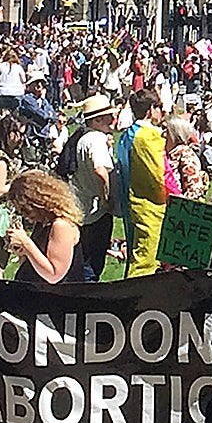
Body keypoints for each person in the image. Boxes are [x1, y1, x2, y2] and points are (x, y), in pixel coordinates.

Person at [118, 89, 169, 277]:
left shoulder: (127, 134)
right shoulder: (148, 136)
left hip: (130, 201)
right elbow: (159, 175)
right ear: (150, 110)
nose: (162, 112)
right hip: (150, 204)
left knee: (137, 251)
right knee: (146, 258)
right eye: (159, 108)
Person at [68, 94, 119, 282]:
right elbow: (100, 171)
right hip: (96, 210)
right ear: (97, 119)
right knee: (92, 262)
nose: (112, 120)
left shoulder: (84, 138)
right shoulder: (97, 140)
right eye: (108, 117)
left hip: (82, 206)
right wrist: (105, 199)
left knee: (83, 258)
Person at [3, 170, 84, 285]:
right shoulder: (43, 223)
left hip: (56, 298)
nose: (25, 215)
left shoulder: (61, 226)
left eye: (25, 209)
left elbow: (54, 274)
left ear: (37, 203)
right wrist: (23, 250)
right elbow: (38, 262)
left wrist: (26, 242)